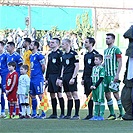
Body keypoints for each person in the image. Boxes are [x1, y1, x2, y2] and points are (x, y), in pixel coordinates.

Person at [58, 38, 80, 120]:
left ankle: (77, 114)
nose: (62, 45)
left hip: (71, 76)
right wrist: (60, 78)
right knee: (68, 95)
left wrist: (73, 77)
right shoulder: (63, 55)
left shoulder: (74, 54)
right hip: (65, 76)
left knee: (74, 94)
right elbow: (63, 67)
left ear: (67, 44)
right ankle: (68, 114)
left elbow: (77, 66)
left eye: (63, 44)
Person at [104, 33, 123, 120]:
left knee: (116, 94)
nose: (106, 40)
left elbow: (120, 62)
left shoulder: (116, 49)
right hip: (106, 76)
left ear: (113, 40)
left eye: (108, 38)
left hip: (113, 75)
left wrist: (117, 74)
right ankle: (112, 114)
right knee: (107, 95)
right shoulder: (105, 51)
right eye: (106, 38)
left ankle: (122, 113)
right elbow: (105, 62)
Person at [45, 38, 65, 119]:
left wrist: (60, 77)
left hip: (57, 75)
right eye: (50, 42)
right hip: (50, 76)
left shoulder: (60, 54)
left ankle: (63, 113)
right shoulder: (50, 54)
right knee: (52, 94)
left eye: (53, 42)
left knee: (59, 93)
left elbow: (61, 66)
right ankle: (54, 113)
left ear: (57, 44)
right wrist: (46, 78)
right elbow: (48, 67)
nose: (51, 44)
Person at [81, 37, 99, 120]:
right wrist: (83, 78)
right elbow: (85, 67)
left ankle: (98, 113)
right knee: (88, 95)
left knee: (95, 95)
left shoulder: (95, 54)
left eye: (86, 42)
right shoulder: (86, 55)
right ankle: (90, 114)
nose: (85, 44)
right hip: (86, 78)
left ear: (91, 43)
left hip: (93, 78)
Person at [29, 40, 46, 119]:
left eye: (31, 45)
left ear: (35, 46)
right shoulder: (31, 56)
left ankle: (43, 112)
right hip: (32, 78)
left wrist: (40, 74)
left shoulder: (39, 55)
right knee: (32, 95)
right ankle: (34, 112)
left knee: (40, 95)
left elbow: (43, 66)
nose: (30, 46)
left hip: (38, 78)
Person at [89, 54, 105, 121]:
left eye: (96, 59)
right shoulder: (94, 68)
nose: (95, 61)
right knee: (96, 101)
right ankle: (95, 115)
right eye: (94, 59)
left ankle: (101, 115)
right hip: (94, 86)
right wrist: (91, 85)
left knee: (100, 100)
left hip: (99, 86)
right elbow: (91, 77)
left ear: (101, 61)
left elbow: (101, 78)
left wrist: (95, 86)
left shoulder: (101, 68)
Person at [0, 41, 9, 117]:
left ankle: (10, 111)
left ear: (2, 46)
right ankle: (2, 110)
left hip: (4, 76)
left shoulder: (6, 55)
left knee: (5, 92)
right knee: (1, 94)